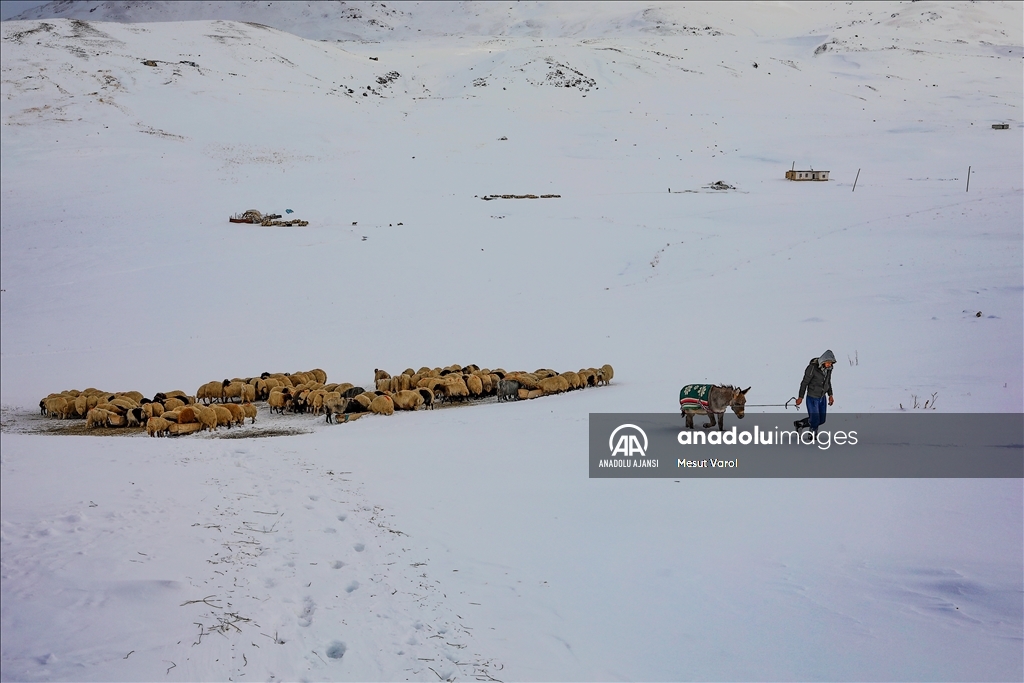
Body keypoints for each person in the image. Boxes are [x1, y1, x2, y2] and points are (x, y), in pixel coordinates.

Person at [794, 350, 836, 433]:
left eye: (831, 363)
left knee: (822, 420)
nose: (829, 364)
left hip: (822, 397)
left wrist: (830, 395)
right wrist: (800, 397)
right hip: (812, 398)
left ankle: (800, 424)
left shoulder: (829, 369)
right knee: (815, 420)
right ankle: (812, 435)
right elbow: (804, 383)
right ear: (823, 361)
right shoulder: (812, 368)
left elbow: (828, 382)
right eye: (828, 362)